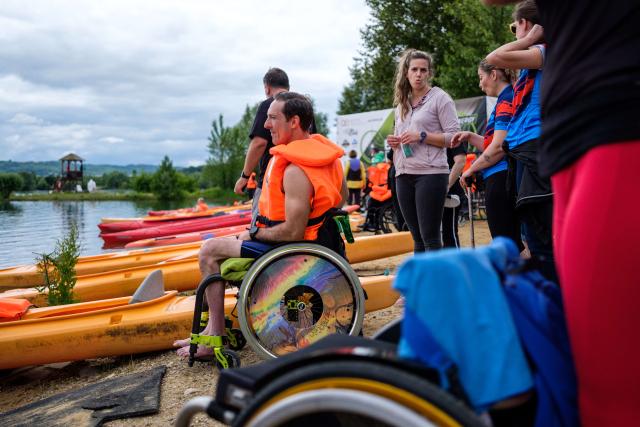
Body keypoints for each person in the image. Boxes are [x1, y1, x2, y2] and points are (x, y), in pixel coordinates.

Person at [482, 0, 640, 424]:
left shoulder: (539, 51)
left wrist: (535, 33)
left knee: (610, 383)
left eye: (519, 24)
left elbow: (494, 56)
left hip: (615, 126)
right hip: (574, 141)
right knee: (587, 365)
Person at [175, 92, 347, 358]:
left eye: (272, 118)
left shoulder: (294, 171)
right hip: (321, 241)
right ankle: (212, 329)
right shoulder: (329, 159)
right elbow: (342, 198)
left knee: (209, 250)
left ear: (294, 122)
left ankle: (214, 337)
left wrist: (255, 232)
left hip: (294, 250)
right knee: (222, 243)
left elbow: (293, 231)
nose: (266, 125)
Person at [484, 1, 557, 281]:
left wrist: (528, 39)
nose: (515, 33)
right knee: (531, 231)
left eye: (514, 27)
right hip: (523, 150)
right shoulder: (534, 58)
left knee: (540, 235)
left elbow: (494, 57)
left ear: (526, 24)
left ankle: (552, 297)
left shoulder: (541, 51)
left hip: (535, 147)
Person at [387, 48, 461, 253]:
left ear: (429, 73)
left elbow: (454, 138)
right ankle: (423, 285)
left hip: (431, 174)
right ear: (406, 72)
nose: (419, 74)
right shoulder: (401, 104)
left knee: (430, 238)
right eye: (414, 69)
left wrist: (423, 136)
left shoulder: (440, 98)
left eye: (423, 70)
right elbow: (402, 139)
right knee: (417, 239)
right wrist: (395, 144)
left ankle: (439, 284)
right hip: (403, 174)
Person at [452, 60, 524, 251]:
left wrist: (471, 169)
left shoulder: (507, 98)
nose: (480, 84)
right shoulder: (503, 99)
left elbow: (499, 147)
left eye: (481, 77)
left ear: (493, 75)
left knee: (508, 244)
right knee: (510, 242)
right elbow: (491, 143)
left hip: (502, 177)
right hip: (498, 176)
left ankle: (524, 280)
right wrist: (469, 136)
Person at [441, 144, 466, 248]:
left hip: (450, 192)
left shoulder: (453, 135)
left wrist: (446, 187)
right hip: (432, 188)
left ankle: (455, 262)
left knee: (449, 232)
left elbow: (460, 162)